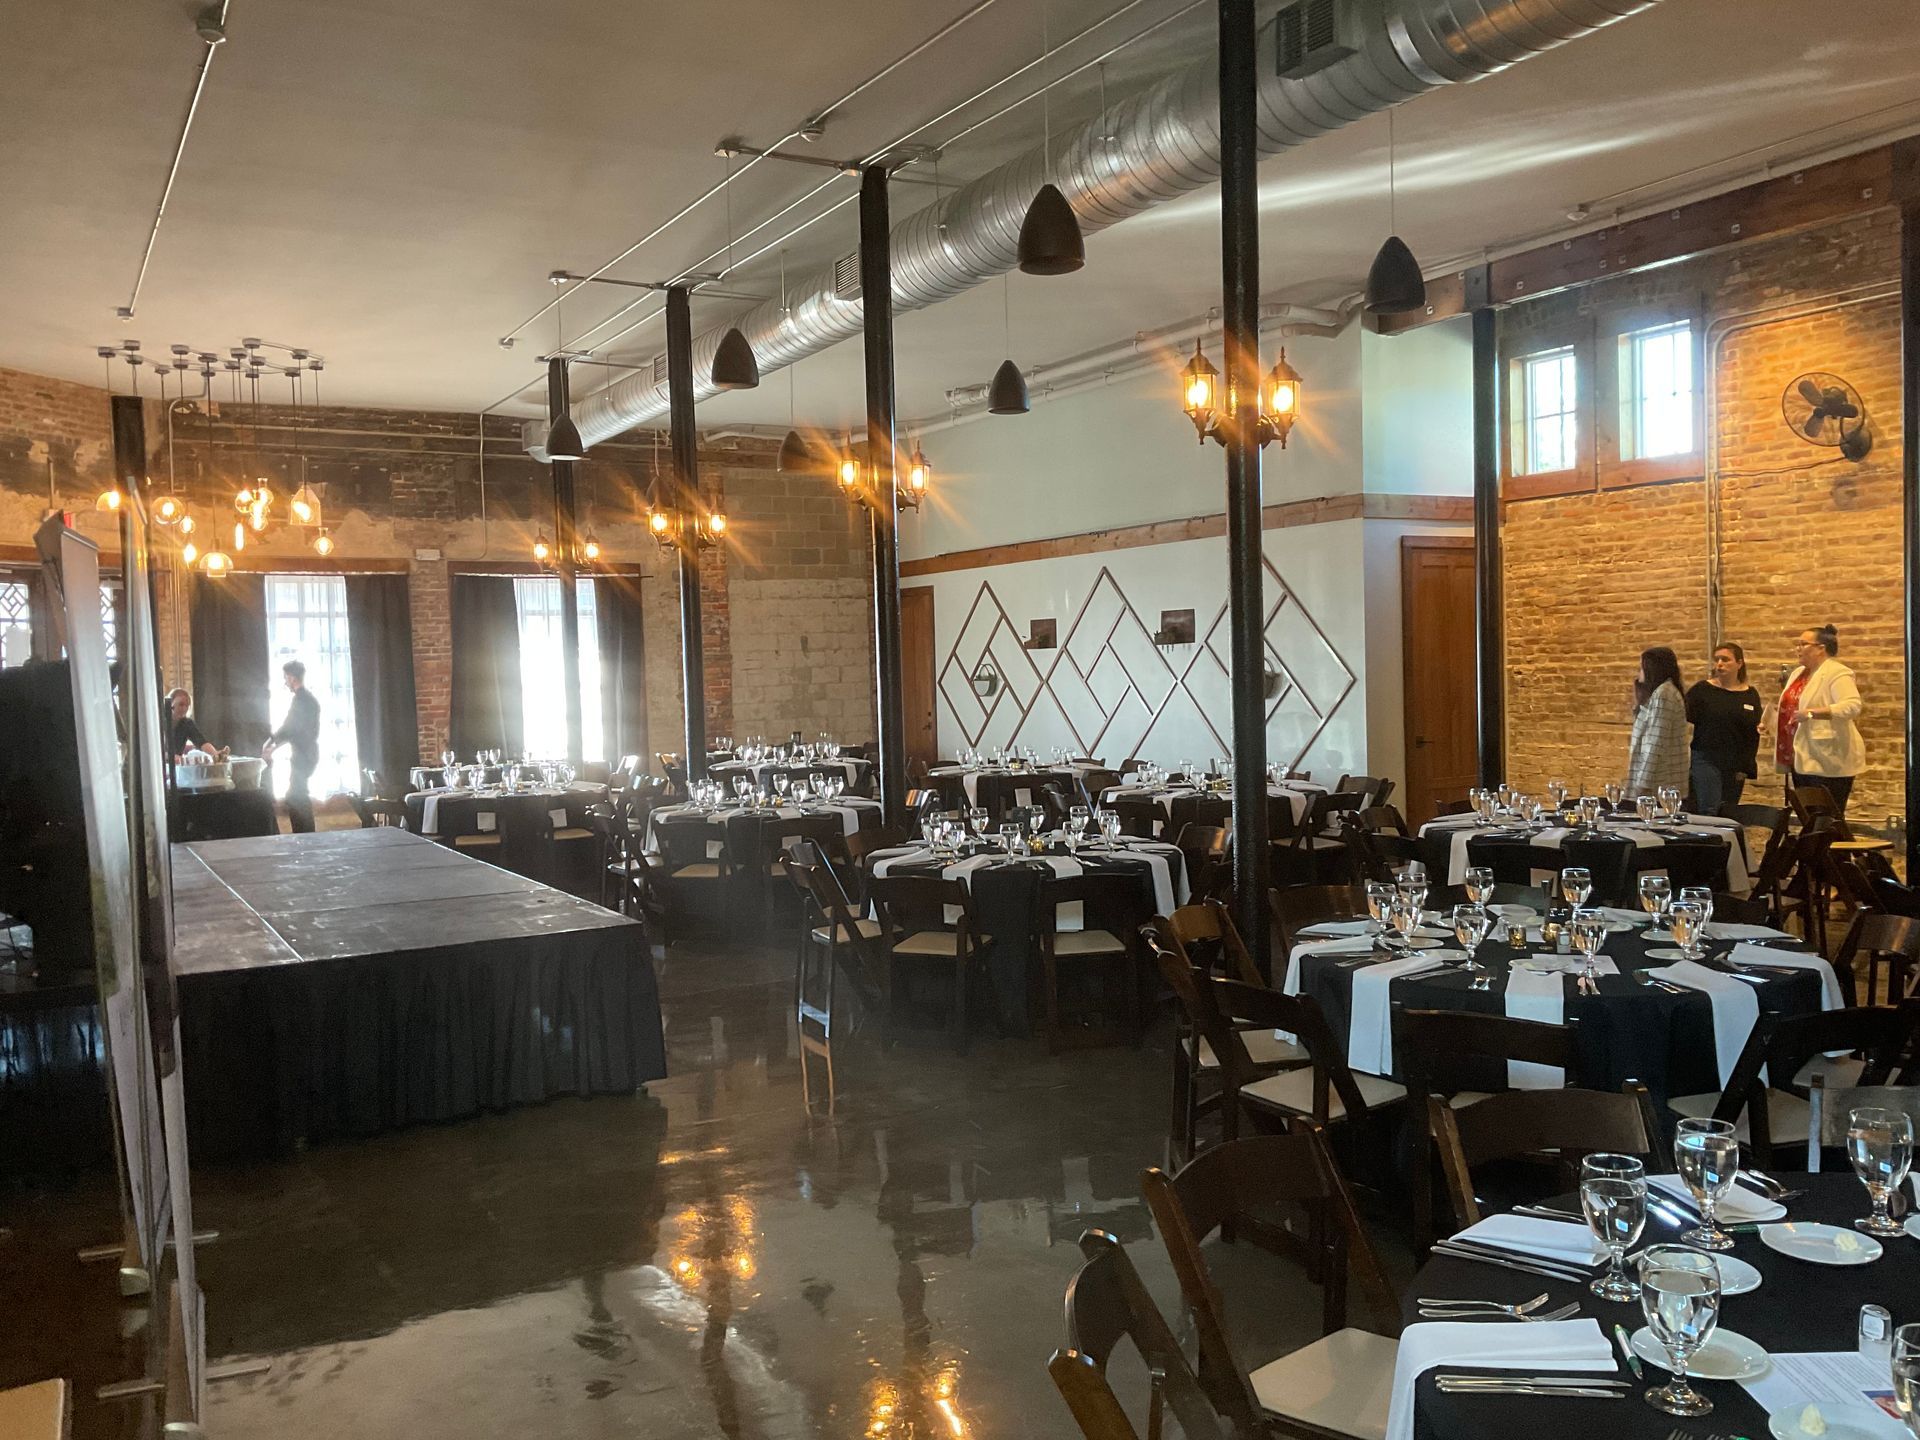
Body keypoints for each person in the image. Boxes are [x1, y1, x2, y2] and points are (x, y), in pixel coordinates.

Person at [1776, 623, 1864, 814]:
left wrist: (1813, 713)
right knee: (1807, 815)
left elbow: (1852, 706)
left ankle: (1830, 844)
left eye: (1803, 644)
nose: (1797, 649)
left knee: (1826, 817)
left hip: (1827, 757)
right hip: (1800, 754)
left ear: (1820, 649)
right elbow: (1791, 706)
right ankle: (1813, 844)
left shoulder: (1837, 672)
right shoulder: (1798, 673)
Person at [1684, 643, 1761, 814]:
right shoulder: (1703, 690)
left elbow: (1752, 734)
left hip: (1735, 762)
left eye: (1725, 660)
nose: (1719, 664)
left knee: (1728, 809)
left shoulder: (1750, 695)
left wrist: (1745, 767)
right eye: (1717, 660)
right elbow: (1684, 717)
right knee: (1709, 808)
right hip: (1706, 758)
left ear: (1739, 663)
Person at [263, 659, 321, 834]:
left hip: (304, 754)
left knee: (296, 797)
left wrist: (272, 744)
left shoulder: (302, 700)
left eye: (285, 678)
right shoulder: (305, 699)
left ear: (291, 677)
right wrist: (273, 741)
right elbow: (290, 727)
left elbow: (291, 728)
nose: (285, 682)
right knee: (297, 796)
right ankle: (304, 836)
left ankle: (304, 838)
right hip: (305, 753)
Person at [1626, 646, 1689, 798]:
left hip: (1659, 783)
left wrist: (1643, 783)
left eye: (1641, 667)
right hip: (1657, 781)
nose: (1639, 672)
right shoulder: (1659, 693)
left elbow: (1656, 741)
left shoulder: (1664, 694)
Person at [165, 687, 225, 761]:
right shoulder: (159, 722)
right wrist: (171, 756)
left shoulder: (187, 723)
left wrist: (215, 754)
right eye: (181, 704)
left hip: (177, 766)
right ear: (171, 705)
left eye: (187, 705)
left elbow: (202, 742)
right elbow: (155, 749)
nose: (184, 709)